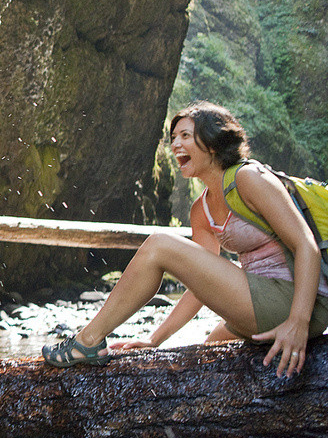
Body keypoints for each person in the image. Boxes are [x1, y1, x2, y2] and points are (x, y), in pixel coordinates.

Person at [42, 101, 328, 378]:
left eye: (186, 136)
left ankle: (88, 340)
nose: (175, 144)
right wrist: (155, 339)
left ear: (213, 143)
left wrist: (297, 323)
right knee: (211, 355)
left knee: (159, 243)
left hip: (300, 303)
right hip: (264, 301)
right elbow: (199, 287)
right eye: (173, 137)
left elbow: (306, 246)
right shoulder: (201, 210)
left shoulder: (249, 178)